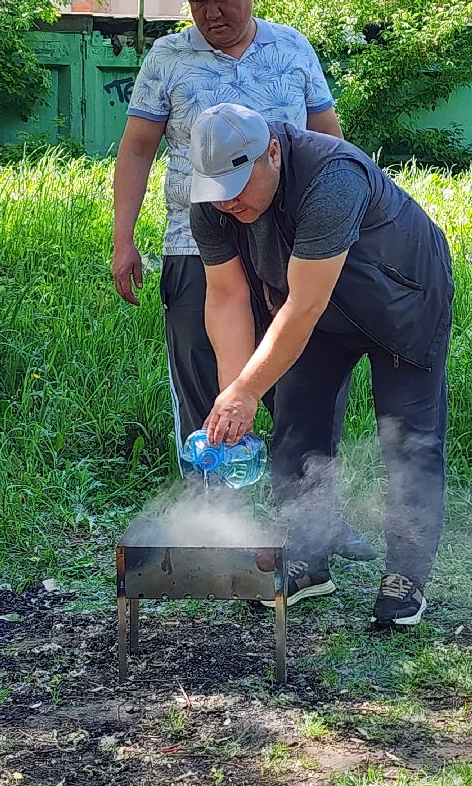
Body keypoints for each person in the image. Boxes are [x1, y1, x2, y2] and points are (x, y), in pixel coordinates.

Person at [110, 0, 373, 562]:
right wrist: (123, 239)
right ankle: (210, 523)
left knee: (306, 383)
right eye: (197, 0)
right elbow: (137, 150)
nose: (211, 12)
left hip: (292, 253)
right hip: (196, 247)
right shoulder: (167, 58)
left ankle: (314, 522)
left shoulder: (293, 49)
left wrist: (343, 236)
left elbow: (332, 146)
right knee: (207, 385)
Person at [188, 102, 453, 628]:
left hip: (402, 301)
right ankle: (308, 559)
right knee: (297, 425)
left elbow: (303, 306)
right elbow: (226, 299)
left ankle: (405, 576)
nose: (229, 202)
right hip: (313, 310)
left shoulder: (332, 178)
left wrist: (246, 389)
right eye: (218, 190)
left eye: (239, 184)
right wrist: (234, 395)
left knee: (408, 438)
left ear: (272, 153)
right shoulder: (212, 204)